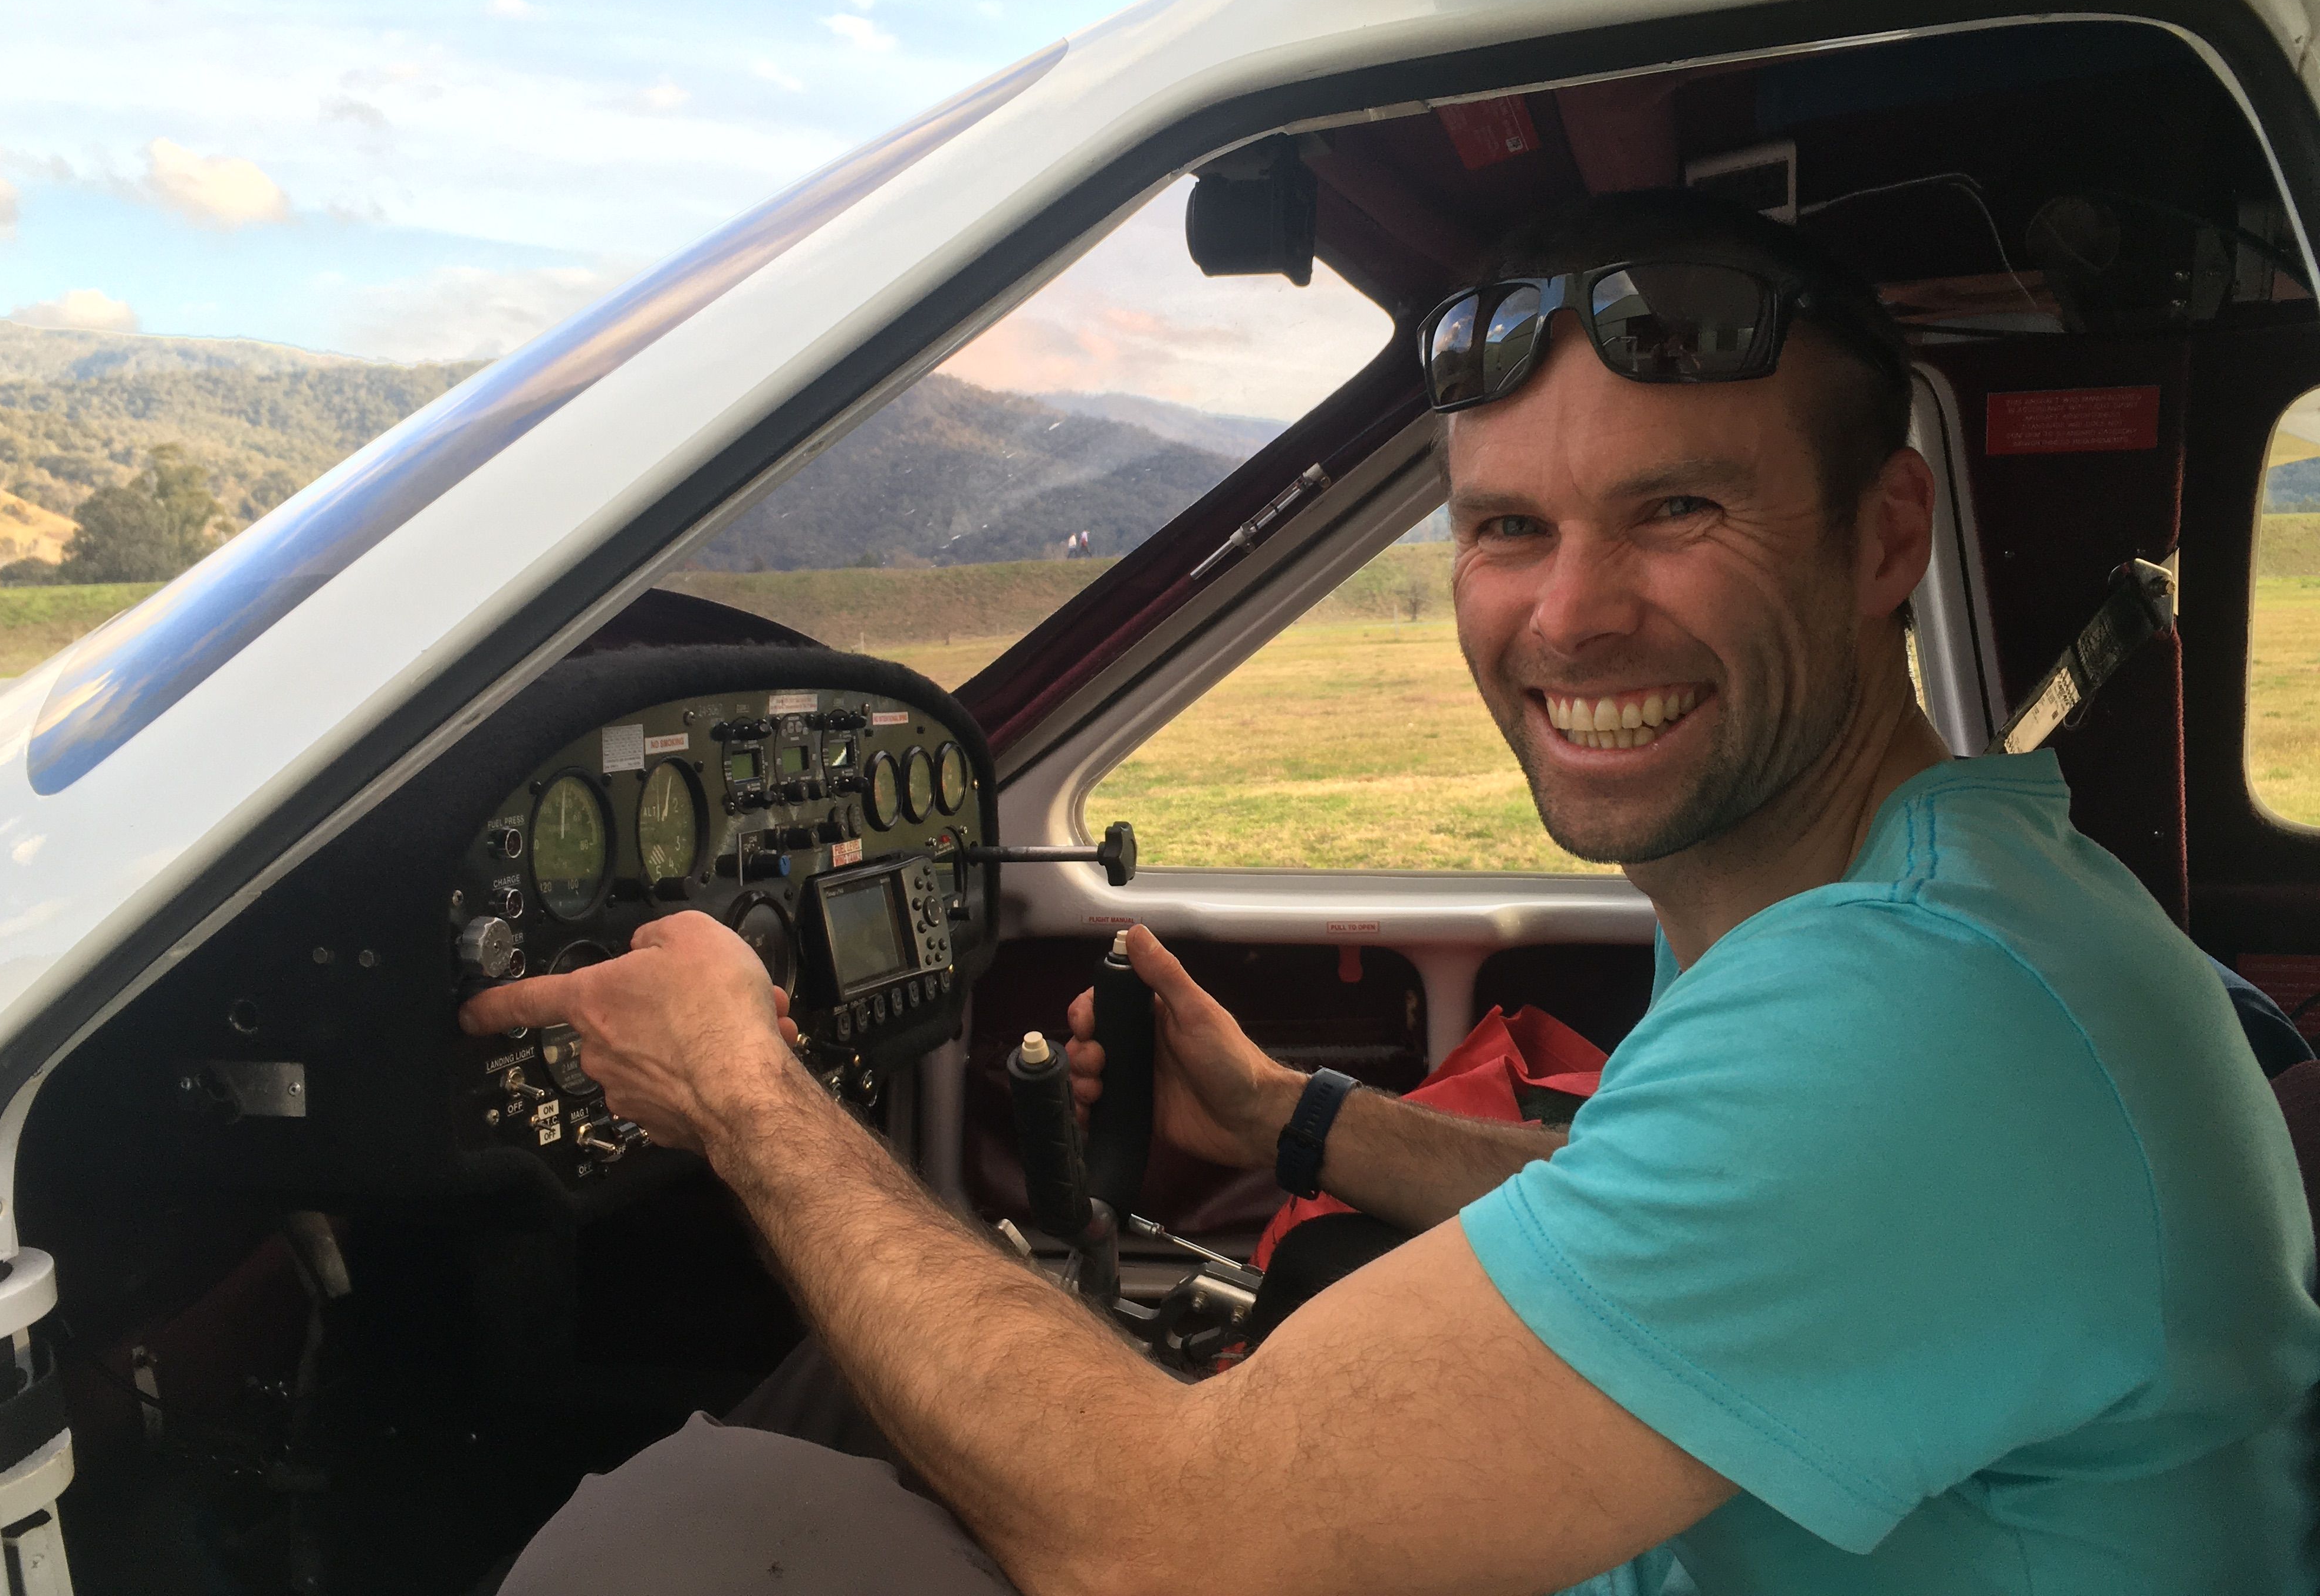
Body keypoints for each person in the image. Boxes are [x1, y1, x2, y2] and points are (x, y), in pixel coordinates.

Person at [466, 189, 2320, 1596]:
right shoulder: (1911, 906)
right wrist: (1291, 1119)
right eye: (1508, 527)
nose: (1570, 615)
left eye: (1677, 512)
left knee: (673, 1528)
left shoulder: (1922, 1016)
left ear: (1883, 539)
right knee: (844, 1395)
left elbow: (1170, 1548)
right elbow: (1641, 1215)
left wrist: (745, 1092)